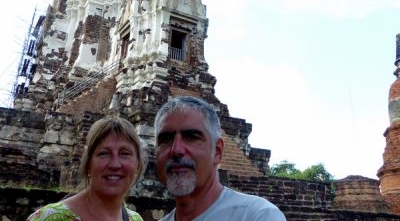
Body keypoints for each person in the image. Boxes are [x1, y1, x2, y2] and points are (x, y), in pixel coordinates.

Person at [154, 96, 287, 221]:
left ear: (217, 151)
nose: (176, 150)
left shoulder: (258, 215)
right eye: (165, 140)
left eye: (192, 137)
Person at [28, 115, 146, 221]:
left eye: (125, 154)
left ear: (138, 165)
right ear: (88, 164)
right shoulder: (49, 218)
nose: (115, 164)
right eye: (104, 154)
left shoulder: (135, 219)